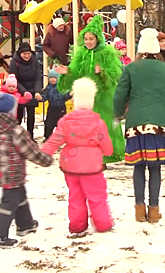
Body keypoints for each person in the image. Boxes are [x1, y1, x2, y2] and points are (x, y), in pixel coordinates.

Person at [114, 28, 165, 223]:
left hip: (136, 123)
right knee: (155, 167)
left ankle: (139, 209)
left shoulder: (131, 68)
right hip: (160, 124)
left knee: (139, 167)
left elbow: (120, 95)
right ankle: (154, 209)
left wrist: (118, 113)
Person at [0, 92, 53, 248]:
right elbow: (30, 151)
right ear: (12, 111)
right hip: (13, 171)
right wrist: (46, 160)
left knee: (19, 194)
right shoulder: (15, 131)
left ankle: (25, 224)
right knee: (9, 201)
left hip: (0, 170)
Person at [42, 78, 114, 233]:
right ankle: (103, 224)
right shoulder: (98, 122)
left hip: (71, 164)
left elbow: (55, 139)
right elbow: (106, 144)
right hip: (92, 165)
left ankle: (77, 225)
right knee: (97, 196)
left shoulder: (66, 121)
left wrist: (44, 153)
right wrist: (107, 152)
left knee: (75, 197)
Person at [55, 15, 125, 164]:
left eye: (91, 39)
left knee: (104, 123)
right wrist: (66, 72)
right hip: (87, 96)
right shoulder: (81, 53)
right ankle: (91, 153)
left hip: (104, 95)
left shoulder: (106, 52)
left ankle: (109, 153)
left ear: (97, 39)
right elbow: (75, 71)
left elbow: (115, 74)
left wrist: (103, 72)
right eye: (86, 39)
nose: (88, 42)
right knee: (88, 125)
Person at [9, 42, 42, 140]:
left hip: (32, 89)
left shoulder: (34, 61)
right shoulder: (15, 62)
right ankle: (16, 136)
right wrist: (23, 92)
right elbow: (14, 79)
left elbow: (37, 77)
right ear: (20, 54)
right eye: (24, 54)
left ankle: (30, 136)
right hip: (19, 90)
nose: (27, 56)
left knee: (31, 114)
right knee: (18, 114)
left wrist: (37, 91)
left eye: (28, 53)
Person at [40, 69, 71, 140]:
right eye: (51, 78)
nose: (52, 79)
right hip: (51, 108)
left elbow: (65, 96)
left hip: (61, 109)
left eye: (54, 78)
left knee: (61, 124)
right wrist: (41, 98)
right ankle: (47, 137)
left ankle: (63, 138)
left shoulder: (61, 87)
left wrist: (69, 94)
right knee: (48, 124)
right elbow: (45, 96)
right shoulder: (48, 88)